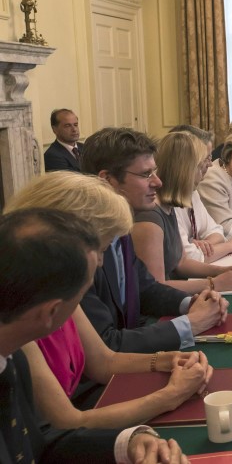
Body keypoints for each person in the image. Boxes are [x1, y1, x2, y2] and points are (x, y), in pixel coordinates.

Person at [4, 172, 212, 429]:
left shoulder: (56, 291)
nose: (101, 262)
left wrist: (167, 360)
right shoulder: (23, 317)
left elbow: (104, 361)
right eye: (101, 248)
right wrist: (172, 395)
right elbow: (68, 422)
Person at [0, 208, 187, 463]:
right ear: (52, 312)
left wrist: (129, 443)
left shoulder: (13, 354)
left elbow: (38, 443)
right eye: (81, 297)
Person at [81, 127, 229, 354]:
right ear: (107, 180)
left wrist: (192, 304)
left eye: (155, 172)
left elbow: (147, 289)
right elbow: (106, 343)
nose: (158, 182)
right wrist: (192, 323)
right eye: (145, 174)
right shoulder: (82, 248)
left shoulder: (120, 230)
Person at [132, 132, 232, 294]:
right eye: (201, 166)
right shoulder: (150, 218)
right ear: (184, 170)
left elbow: (181, 263)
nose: (205, 171)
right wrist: (213, 284)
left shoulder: (169, 206)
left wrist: (221, 271)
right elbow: (155, 289)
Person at [169, 125, 232, 264]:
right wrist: (230, 246)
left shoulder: (192, 191)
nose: (210, 165)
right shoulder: (167, 198)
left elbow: (217, 231)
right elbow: (190, 258)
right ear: (187, 160)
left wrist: (201, 245)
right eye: (205, 159)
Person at [43, 108, 83, 172]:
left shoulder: (86, 147)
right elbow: (73, 180)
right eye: (67, 126)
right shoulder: (52, 156)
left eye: (75, 125)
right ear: (54, 129)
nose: (74, 129)